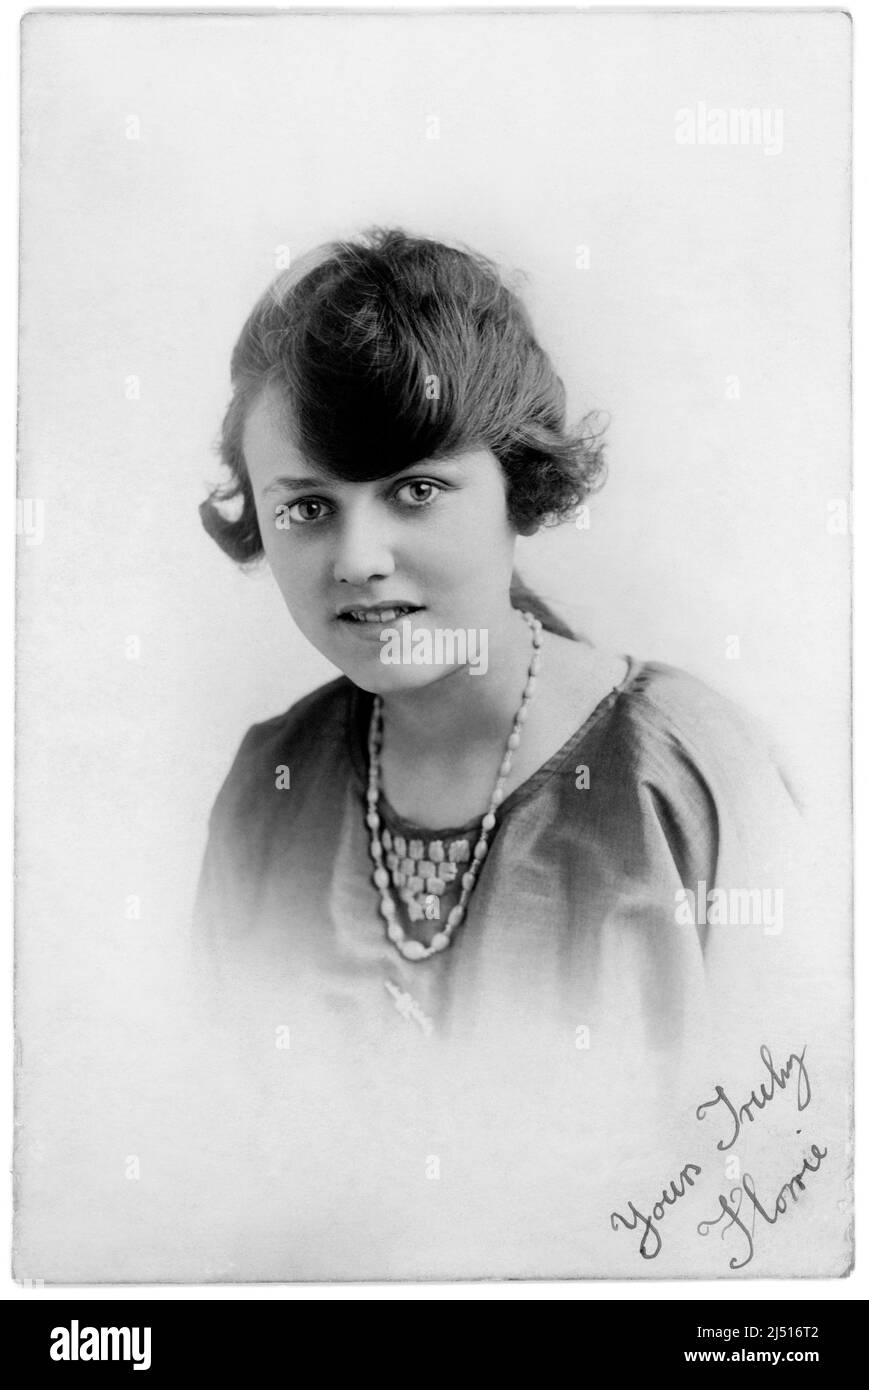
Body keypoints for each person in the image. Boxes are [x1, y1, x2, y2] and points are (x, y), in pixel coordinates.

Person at [193, 226, 807, 1069]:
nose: (358, 560)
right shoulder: (268, 792)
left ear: (517, 486)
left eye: (415, 490)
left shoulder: (683, 774)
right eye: (307, 507)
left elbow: (798, 1150)